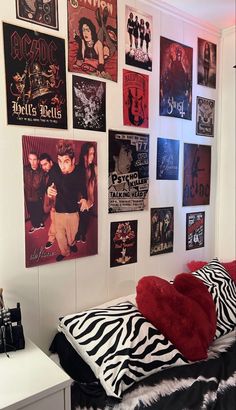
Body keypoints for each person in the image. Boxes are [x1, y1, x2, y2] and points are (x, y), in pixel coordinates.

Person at [47, 140, 88, 262]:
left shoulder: (80, 171)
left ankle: (72, 243)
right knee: (60, 236)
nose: (62, 166)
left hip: (73, 211)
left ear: (73, 160)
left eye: (66, 161)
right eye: (59, 161)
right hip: (58, 211)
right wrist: (48, 189)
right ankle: (65, 252)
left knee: (72, 235)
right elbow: (49, 184)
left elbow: (83, 188)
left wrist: (84, 198)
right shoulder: (54, 170)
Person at [76, 142, 97, 243]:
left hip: (89, 199)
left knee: (85, 219)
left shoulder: (94, 168)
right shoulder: (78, 168)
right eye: (90, 154)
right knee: (78, 219)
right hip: (79, 200)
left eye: (93, 153)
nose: (92, 156)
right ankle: (78, 234)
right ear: (84, 154)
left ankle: (82, 234)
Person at [24, 151, 45, 234]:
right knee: (32, 212)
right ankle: (35, 225)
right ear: (28, 160)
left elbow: (44, 185)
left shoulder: (41, 172)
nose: (32, 162)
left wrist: (41, 195)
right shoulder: (25, 169)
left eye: (34, 159)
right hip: (28, 196)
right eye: (30, 159)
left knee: (39, 210)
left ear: (38, 160)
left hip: (38, 197)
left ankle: (40, 222)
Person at [39, 153, 56, 249]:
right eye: (42, 165)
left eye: (45, 164)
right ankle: (52, 238)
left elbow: (51, 183)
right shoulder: (49, 170)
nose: (43, 167)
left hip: (61, 200)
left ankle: (52, 238)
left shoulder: (56, 169)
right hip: (53, 200)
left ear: (51, 162)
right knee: (54, 218)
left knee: (56, 218)